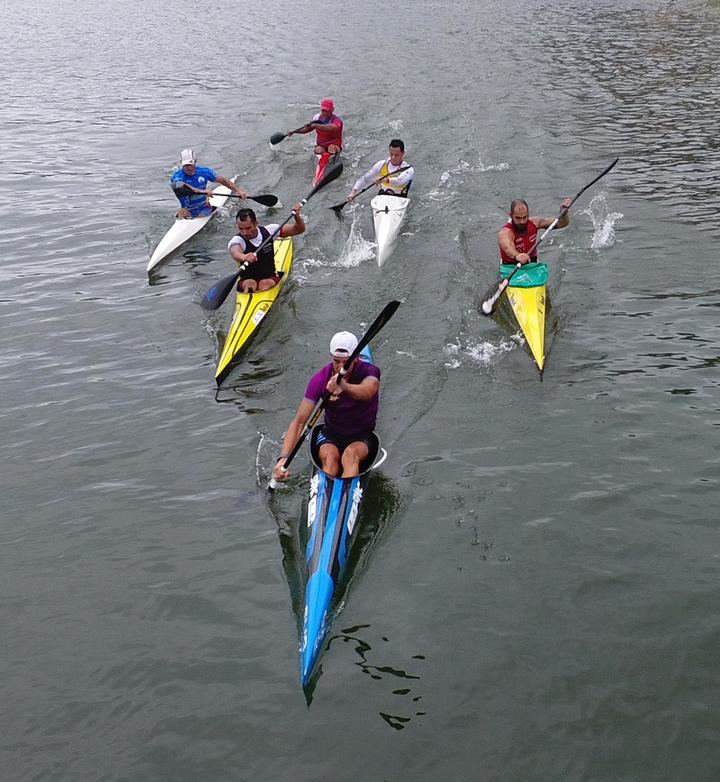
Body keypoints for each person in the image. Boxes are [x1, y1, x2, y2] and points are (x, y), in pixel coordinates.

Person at [271, 331, 380, 483]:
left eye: (346, 362)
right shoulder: (320, 379)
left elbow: (368, 391)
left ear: (356, 358)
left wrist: (344, 386)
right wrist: (283, 458)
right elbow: (299, 421)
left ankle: (344, 499)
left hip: (361, 436)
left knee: (350, 455)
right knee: (330, 458)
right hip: (331, 434)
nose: (341, 367)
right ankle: (325, 498)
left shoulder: (369, 372)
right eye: (336, 361)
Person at [228, 205, 305, 292]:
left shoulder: (270, 231)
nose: (245, 233)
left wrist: (296, 216)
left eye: (248, 228)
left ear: (256, 223)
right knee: (250, 284)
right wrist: (244, 257)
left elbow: (299, 229)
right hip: (246, 281)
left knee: (264, 284)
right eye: (241, 228)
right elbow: (235, 252)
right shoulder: (238, 240)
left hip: (269, 278)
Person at [170, 149, 247, 219]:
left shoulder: (204, 171)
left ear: (195, 162)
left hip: (203, 208)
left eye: (190, 165)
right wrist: (203, 192)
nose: (189, 168)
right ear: (181, 163)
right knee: (182, 213)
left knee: (202, 215)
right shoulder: (178, 176)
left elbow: (223, 180)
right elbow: (181, 186)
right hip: (186, 210)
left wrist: (238, 191)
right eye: (186, 165)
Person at [497, 196, 573, 265]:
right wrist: (517, 255)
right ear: (511, 216)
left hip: (532, 263)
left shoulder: (535, 223)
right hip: (510, 265)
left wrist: (564, 213)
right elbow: (507, 247)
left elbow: (562, 223)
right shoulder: (506, 232)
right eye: (518, 218)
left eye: (525, 217)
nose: (522, 221)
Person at [346, 139, 414, 201]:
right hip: (382, 199)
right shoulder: (381, 164)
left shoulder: (408, 169)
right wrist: (353, 192)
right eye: (391, 154)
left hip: (400, 200)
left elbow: (400, 181)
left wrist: (384, 179)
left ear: (403, 153)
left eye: (396, 155)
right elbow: (365, 178)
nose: (393, 157)